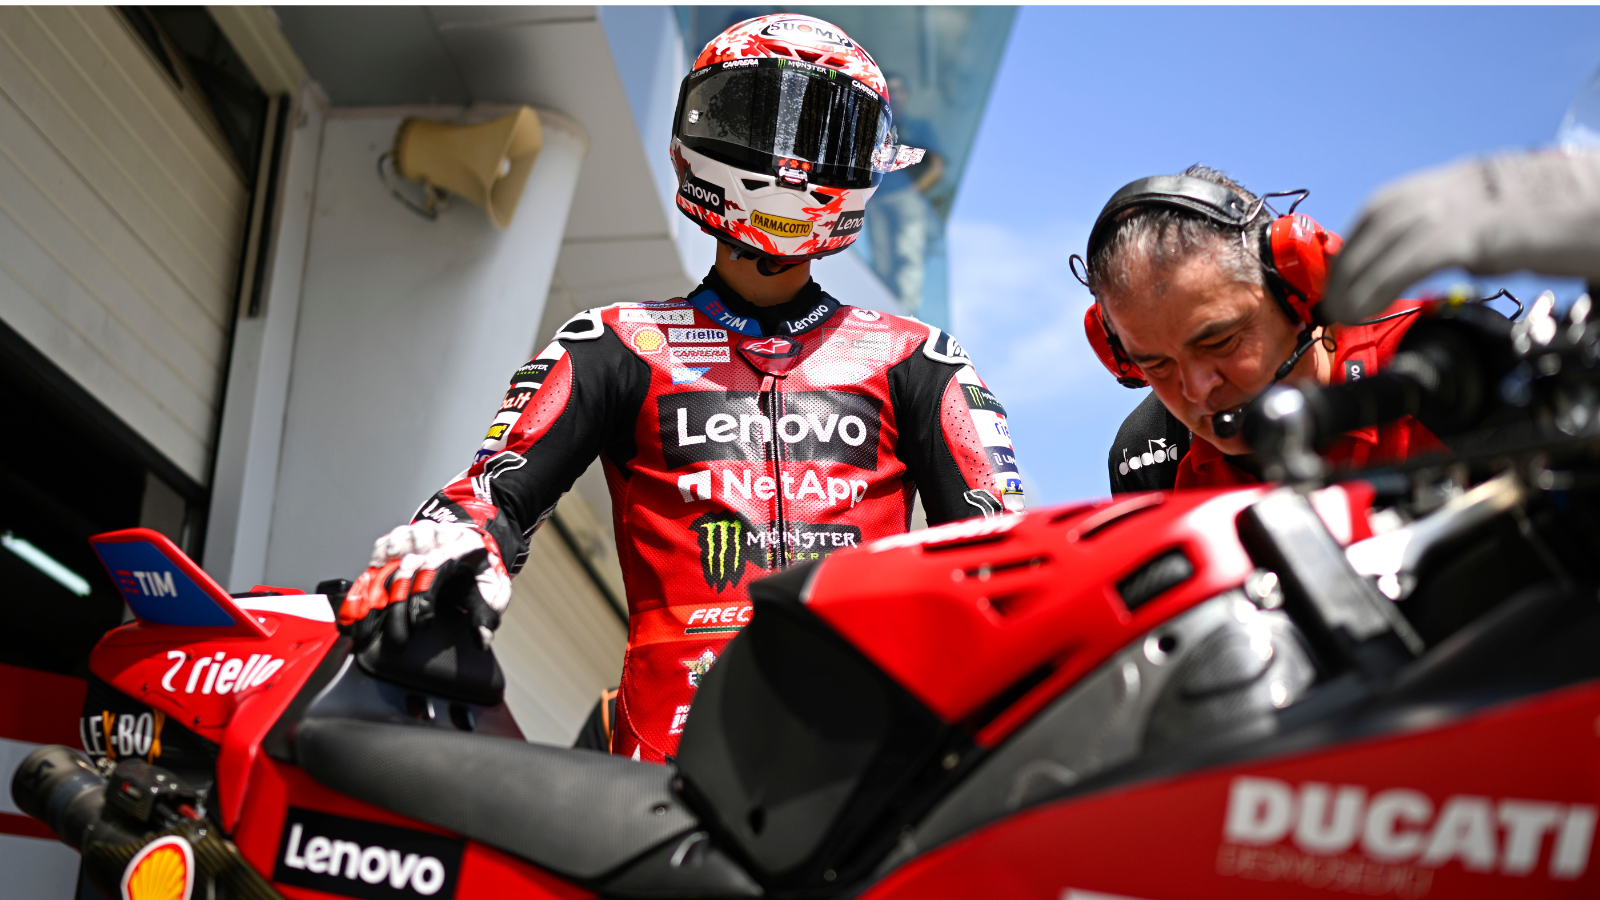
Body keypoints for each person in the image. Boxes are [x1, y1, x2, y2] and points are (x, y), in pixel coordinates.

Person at [336, 14, 1025, 763]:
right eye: (762, 119)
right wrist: (449, 543)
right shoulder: (614, 343)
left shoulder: (918, 359)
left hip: (867, 772)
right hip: (663, 772)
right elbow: (490, 496)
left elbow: (1005, 558)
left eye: (819, 132)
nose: (791, 162)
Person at [1082, 166, 1442, 493]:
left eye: (1220, 341)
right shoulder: (1148, 453)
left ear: (1299, 291)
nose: (1195, 391)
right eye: (1158, 365)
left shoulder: (1445, 362)